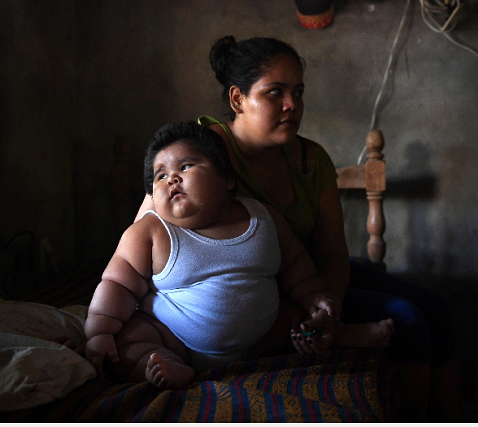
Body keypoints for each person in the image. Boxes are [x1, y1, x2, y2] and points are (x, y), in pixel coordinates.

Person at [137, 36, 459, 421]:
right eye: (275, 92)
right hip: (256, 293)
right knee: (406, 320)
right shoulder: (200, 154)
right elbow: (145, 231)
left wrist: (327, 309)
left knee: (437, 307)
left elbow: (333, 254)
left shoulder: (311, 159)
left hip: (308, 279)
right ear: (238, 100)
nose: (292, 105)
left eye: (298, 92)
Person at [86, 121, 394, 389]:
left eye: (186, 166)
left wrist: (313, 295)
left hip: (262, 337)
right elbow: (117, 284)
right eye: (160, 175)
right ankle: (166, 368)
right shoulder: (149, 233)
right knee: (130, 342)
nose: (172, 179)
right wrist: (99, 331)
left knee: (301, 319)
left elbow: (296, 266)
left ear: (227, 179)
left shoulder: (261, 218)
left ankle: (338, 334)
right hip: (174, 338)